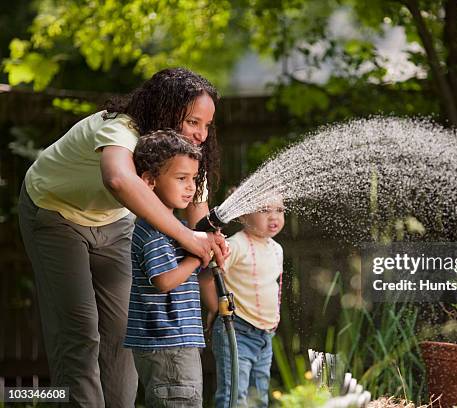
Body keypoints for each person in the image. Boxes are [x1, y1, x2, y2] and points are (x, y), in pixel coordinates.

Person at [18, 67, 227, 407]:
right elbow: (118, 179)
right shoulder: (120, 127)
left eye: (207, 125)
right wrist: (189, 240)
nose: (201, 134)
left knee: (122, 332)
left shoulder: (184, 157)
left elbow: (199, 220)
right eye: (192, 122)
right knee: (80, 332)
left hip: (114, 223)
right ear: (165, 110)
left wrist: (211, 243)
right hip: (54, 213)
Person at [125, 130, 213, 407]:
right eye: (181, 178)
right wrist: (195, 259)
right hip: (168, 342)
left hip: (170, 341)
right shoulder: (154, 232)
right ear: (150, 181)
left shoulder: (174, 229)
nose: (191, 187)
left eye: (194, 179)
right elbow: (163, 281)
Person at [204, 198, 285, 408]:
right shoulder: (236, 245)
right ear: (242, 216)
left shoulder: (277, 249)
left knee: (259, 397)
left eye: (279, 210)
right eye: (265, 209)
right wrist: (217, 308)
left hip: (265, 334)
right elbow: (207, 276)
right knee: (234, 396)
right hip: (238, 331)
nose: (274, 216)